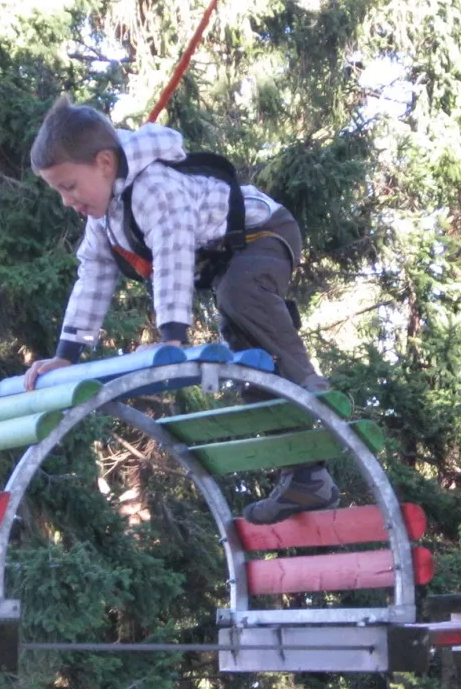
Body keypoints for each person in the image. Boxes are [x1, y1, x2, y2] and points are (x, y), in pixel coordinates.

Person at [23, 96, 338, 524]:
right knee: (251, 359)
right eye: (58, 190)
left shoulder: (155, 187)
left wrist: (173, 336)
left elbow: (173, 257)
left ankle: (308, 382)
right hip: (228, 262)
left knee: (242, 297)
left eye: (69, 186)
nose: (65, 201)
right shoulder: (104, 219)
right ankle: (306, 476)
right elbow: (92, 279)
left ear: (103, 162)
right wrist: (67, 353)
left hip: (263, 233)